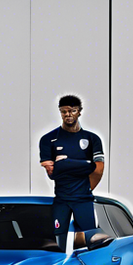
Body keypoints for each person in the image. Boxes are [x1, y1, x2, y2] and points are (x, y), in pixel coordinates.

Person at [38, 95, 105, 250]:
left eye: (72, 111)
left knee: (91, 246)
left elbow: (98, 169)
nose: (68, 115)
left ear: (79, 112)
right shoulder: (48, 139)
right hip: (61, 199)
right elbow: (52, 173)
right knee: (57, 247)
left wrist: (65, 162)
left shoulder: (92, 139)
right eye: (64, 111)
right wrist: (86, 165)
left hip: (84, 199)